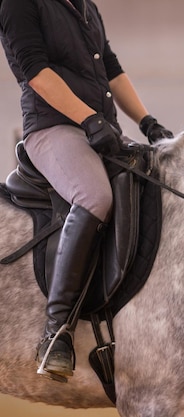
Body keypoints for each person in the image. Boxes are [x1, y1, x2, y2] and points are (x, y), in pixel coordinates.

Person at [0, 0, 173, 381]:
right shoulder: (19, 3)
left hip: (99, 128)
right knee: (94, 196)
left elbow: (110, 68)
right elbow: (35, 72)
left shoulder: (84, 4)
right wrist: (89, 118)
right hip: (53, 128)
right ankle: (56, 331)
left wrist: (148, 122)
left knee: (160, 183)